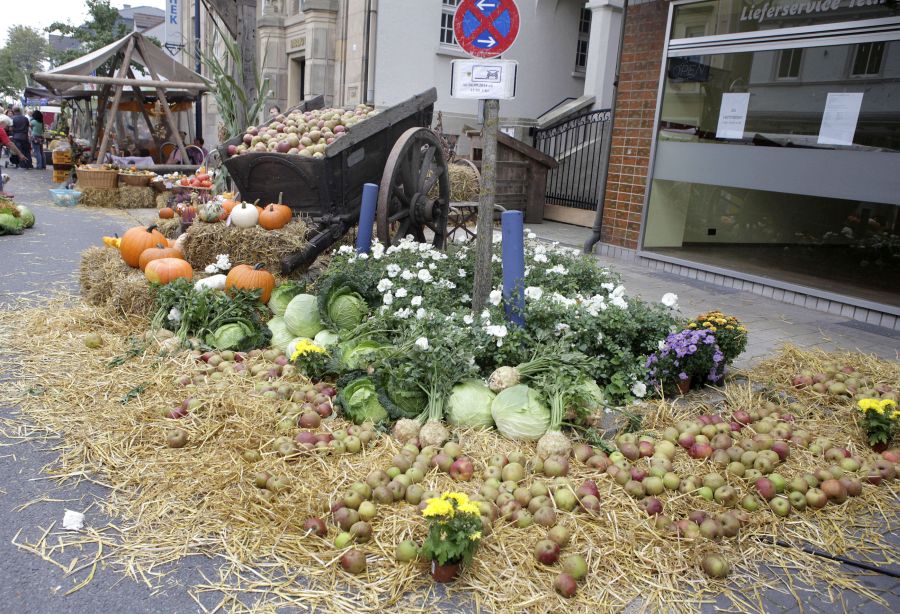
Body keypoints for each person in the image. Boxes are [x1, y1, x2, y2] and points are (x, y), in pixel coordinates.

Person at [0, 115, 26, 196]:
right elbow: (10, 144)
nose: (7, 128)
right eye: (7, 126)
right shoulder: (1, 130)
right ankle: (1, 192)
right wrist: (20, 154)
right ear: (2, 123)